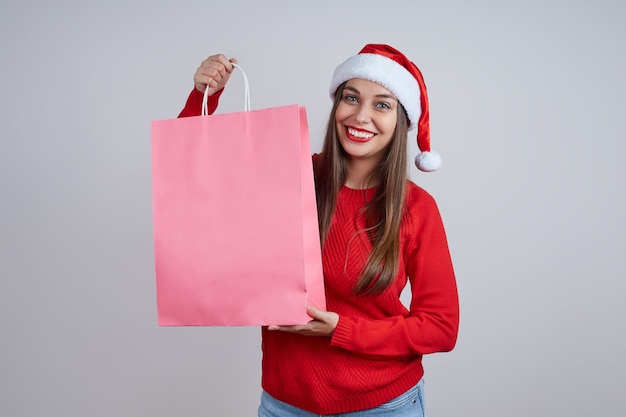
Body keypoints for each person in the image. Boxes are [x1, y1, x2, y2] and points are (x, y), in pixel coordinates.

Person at [178, 44, 459, 417]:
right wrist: (203, 97)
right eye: (351, 97)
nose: (360, 116)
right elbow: (195, 175)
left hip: (382, 406)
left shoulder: (416, 208)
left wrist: (341, 330)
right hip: (285, 404)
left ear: (400, 121)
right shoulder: (290, 176)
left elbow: (440, 328)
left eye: (382, 104)